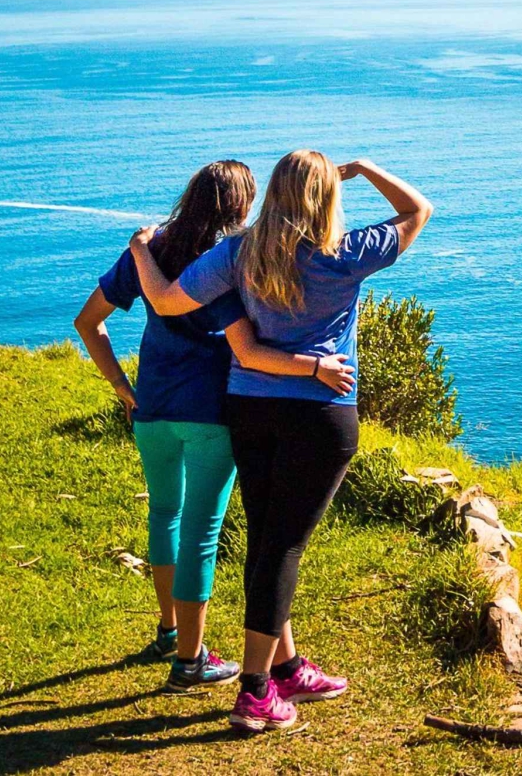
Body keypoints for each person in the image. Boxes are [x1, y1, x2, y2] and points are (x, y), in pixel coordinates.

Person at [128, 151, 431, 731]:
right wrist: (365, 168)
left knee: (269, 540)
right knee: (282, 548)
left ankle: (287, 668)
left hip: (249, 409)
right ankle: (256, 691)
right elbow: (418, 209)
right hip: (320, 414)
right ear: (325, 199)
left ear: (273, 193)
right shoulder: (344, 254)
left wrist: (142, 250)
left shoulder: (238, 253)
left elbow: (166, 301)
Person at [73, 161, 356, 694]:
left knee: (164, 514)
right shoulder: (232, 263)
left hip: (151, 408)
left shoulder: (150, 251)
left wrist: (122, 388)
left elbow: (87, 321)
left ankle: (168, 631)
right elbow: (248, 348)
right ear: (241, 206)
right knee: (203, 532)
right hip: (212, 413)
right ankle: (189, 661)